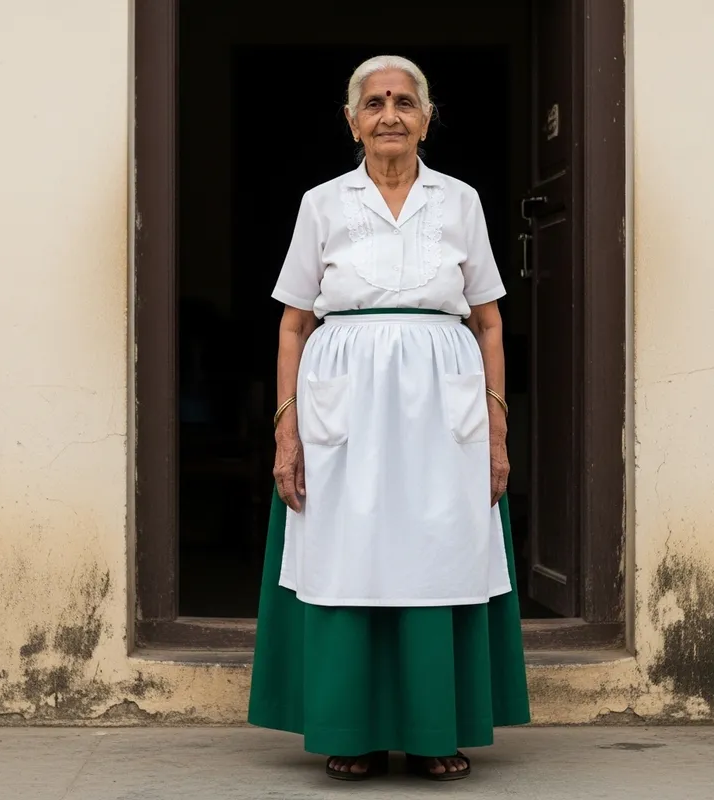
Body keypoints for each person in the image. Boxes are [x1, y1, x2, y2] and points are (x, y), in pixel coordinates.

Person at [248, 54, 530, 782]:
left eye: (405, 101)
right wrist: (286, 428)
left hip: (444, 403)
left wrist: (497, 428)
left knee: (439, 552)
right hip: (346, 402)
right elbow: (292, 325)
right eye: (374, 103)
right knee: (350, 556)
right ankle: (353, 728)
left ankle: (437, 728)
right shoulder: (323, 204)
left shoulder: (460, 201)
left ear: (427, 118)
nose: (390, 114)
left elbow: (490, 322)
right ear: (352, 120)